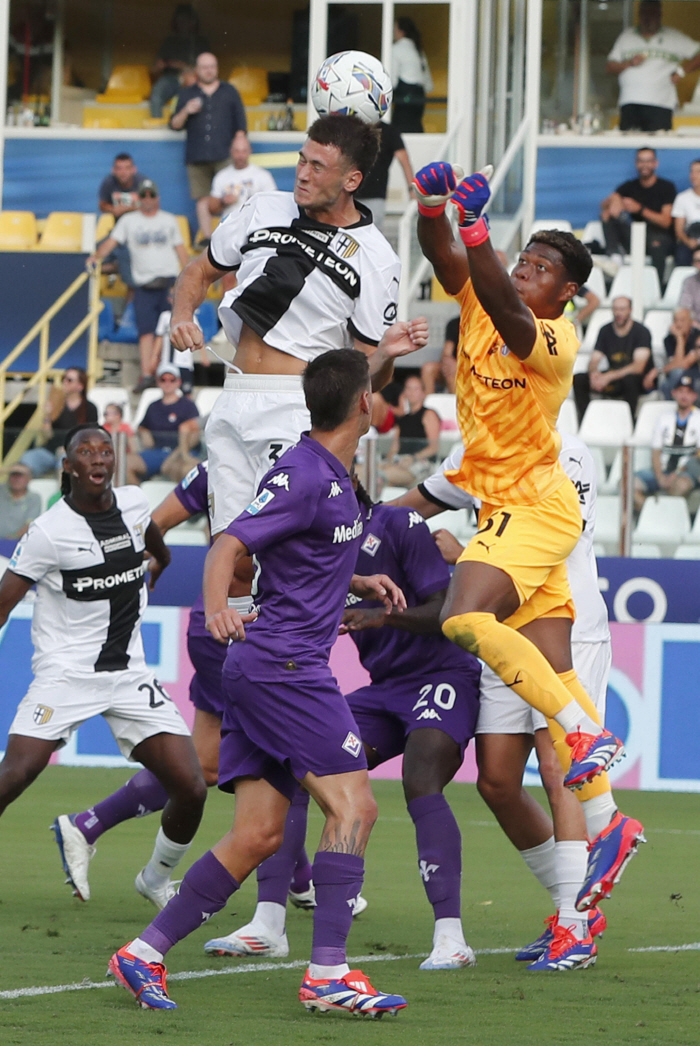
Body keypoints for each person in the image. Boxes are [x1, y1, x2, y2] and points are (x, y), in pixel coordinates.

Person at [109, 349, 410, 1016]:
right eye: (375, 390)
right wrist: (218, 605)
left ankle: (144, 952)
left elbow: (299, 549)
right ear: (362, 404)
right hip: (286, 669)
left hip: (274, 667)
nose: (380, 398)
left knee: (258, 836)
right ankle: (328, 972)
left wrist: (354, 579)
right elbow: (226, 545)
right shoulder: (303, 472)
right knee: (354, 806)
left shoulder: (329, 470)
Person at [413, 162, 625, 805]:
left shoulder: (557, 338)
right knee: (552, 668)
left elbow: (508, 312)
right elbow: (444, 256)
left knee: (462, 616)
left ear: (565, 294)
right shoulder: (482, 294)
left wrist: (475, 227)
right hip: (509, 502)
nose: (527, 268)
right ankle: (610, 820)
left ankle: (585, 730)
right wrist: (431, 209)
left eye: (542, 267)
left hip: (533, 504)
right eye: (525, 258)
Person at [206, 490, 482, 971]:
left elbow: (445, 612)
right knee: (293, 765)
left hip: (443, 676)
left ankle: (451, 936)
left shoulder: (399, 524)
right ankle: (268, 923)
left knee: (421, 778)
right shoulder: (325, 545)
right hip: (385, 688)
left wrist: (377, 616)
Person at [396, 435, 643, 969]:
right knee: (498, 780)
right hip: (499, 630)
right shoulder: (476, 448)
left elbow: (554, 542)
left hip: (564, 624)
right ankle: (569, 907)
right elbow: (416, 502)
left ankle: (574, 929)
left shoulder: (568, 452)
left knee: (558, 769)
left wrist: (465, 557)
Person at [168, 113, 428, 560]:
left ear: (353, 179)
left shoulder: (376, 257)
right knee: (229, 557)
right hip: (233, 397)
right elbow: (200, 269)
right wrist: (181, 314)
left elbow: (366, 380)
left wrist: (385, 354)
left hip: (295, 406)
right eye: (301, 161)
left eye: (317, 167)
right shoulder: (263, 206)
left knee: (281, 558)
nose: (303, 174)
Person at [65, 460, 320, 913]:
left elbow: (155, 524)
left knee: (203, 766)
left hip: (226, 625)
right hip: (238, 626)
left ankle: (91, 827)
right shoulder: (284, 466)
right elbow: (152, 525)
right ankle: (293, 886)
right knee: (288, 755)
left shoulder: (233, 464)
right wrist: (155, 560)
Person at [0, 425, 207, 906]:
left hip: (129, 675)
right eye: (85, 452)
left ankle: (156, 878)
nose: (97, 458)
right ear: (67, 466)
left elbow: (159, 546)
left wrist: (158, 563)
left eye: (104, 451)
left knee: (191, 787)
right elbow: (4, 604)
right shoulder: (49, 533)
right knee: (15, 773)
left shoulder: (134, 504)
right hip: (66, 674)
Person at [88, 181, 190, 393]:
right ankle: (147, 373)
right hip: (144, 284)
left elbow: (180, 249)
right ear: (139, 198)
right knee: (146, 331)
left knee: (170, 330)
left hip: (168, 283)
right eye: (143, 195)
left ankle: (165, 374)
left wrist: (188, 276)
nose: (148, 199)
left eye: (151, 194)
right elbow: (112, 242)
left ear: (157, 197)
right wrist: (96, 257)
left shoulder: (169, 220)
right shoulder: (129, 221)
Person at [170, 52, 247, 243]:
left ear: (217, 68)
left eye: (212, 66)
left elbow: (241, 124)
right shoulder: (187, 93)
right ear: (197, 70)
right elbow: (174, 125)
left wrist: (240, 145)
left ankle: (231, 238)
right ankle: (207, 239)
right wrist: (186, 110)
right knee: (202, 199)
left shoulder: (229, 91)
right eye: (204, 67)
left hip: (224, 155)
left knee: (231, 197)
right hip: (197, 155)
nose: (209, 70)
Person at [606, 0, 700, 133]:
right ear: (640, 15)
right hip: (630, 102)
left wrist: (681, 72)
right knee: (630, 145)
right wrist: (630, 63)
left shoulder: (673, 37)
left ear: (660, 15)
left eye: (653, 14)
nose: (649, 18)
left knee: (658, 145)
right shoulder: (627, 37)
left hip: (660, 103)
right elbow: (610, 66)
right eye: (645, 13)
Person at [599, 147, 675, 283]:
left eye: (648, 161)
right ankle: (614, 256)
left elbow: (666, 222)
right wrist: (615, 199)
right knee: (606, 215)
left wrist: (639, 209)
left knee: (657, 244)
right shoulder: (629, 186)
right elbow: (604, 206)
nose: (644, 165)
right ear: (636, 163)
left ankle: (656, 287)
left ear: (655, 163)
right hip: (633, 235)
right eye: (641, 161)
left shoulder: (666, 187)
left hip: (658, 236)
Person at [572, 296, 652, 422]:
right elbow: (595, 359)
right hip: (612, 377)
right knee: (579, 379)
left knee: (630, 381)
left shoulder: (641, 332)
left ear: (630, 310)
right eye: (615, 309)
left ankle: (629, 421)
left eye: (622, 309)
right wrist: (594, 374)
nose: (618, 313)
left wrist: (608, 377)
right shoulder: (605, 330)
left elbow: (638, 367)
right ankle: (584, 419)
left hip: (633, 379)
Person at [634, 374, 700, 510]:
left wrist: (675, 474)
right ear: (673, 393)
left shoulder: (698, 419)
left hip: (685, 472)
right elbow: (656, 451)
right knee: (626, 484)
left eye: (688, 392)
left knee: (682, 485)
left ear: (695, 396)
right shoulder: (664, 419)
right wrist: (660, 477)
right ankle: (651, 513)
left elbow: (697, 455)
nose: (684, 396)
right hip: (661, 470)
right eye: (681, 391)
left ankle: (662, 514)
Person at [127, 364, 200, 484]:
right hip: (158, 452)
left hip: (181, 452)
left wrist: (178, 453)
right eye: (163, 379)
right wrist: (144, 433)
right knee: (124, 463)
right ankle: (140, 497)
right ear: (158, 382)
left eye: (172, 380)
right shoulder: (153, 406)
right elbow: (142, 426)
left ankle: (179, 502)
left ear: (178, 382)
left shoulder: (188, 405)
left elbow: (195, 434)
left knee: (186, 469)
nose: (168, 383)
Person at [21, 368, 98, 477]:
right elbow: (47, 435)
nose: (64, 382)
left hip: (73, 451)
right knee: (27, 459)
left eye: (69, 380)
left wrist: (69, 448)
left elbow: (90, 436)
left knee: (64, 462)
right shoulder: (57, 404)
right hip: (51, 450)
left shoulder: (89, 408)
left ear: (80, 386)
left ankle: (63, 493)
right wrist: (47, 416)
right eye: (63, 379)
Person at [150, 3, 210, 119]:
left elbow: (205, 68)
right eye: (180, 20)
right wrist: (159, 67)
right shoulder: (169, 41)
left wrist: (177, 65)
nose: (183, 23)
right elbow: (154, 70)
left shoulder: (201, 42)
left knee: (200, 97)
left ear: (194, 22)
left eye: (187, 20)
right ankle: (157, 127)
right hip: (171, 79)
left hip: (194, 79)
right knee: (157, 92)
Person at [381, 374, 440, 487]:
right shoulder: (402, 419)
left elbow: (433, 447)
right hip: (400, 461)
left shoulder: (428, 414)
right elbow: (394, 448)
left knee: (381, 475)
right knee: (367, 470)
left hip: (421, 463)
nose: (412, 392)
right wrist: (388, 462)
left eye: (416, 389)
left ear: (423, 393)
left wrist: (413, 458)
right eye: (409, 388)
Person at [355, 121, 414, 232]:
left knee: (371, 235)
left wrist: (412, 189)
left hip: (374, 195)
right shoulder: (352, 127)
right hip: (349, 196)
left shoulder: (389, 131)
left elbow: (404, 160)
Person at [208, 134, 277, 220]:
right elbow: (211, 209)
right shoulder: (221, 176)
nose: (240, 156)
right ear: (231, 151)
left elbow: (274, 204)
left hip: (255, 224)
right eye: (237, 151)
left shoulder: (263, 175)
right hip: (229, 226)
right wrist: (223, 201)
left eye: (244, 151)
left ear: (250, 151)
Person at [153, 289, 209, 394]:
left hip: (184, 361)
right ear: (169, 299)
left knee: (186, 391)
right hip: (167, 361)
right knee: (166, 389)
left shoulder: (191, 317)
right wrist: (154, 357)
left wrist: (203, 356)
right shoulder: (164, 317)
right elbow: (159, 338)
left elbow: (199, 336)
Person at [646, 307, 700, 397]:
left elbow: (683, 365)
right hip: (679, 377)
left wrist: (659, 371)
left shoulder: (697, 336)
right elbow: (676, 364)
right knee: (665, 384)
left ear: (691, 322)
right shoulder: (669, 339)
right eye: (676, 320)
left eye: (682, 320)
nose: (678, 324)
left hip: (696, 373)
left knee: (677, 374)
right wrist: (680, 339)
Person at [391, 17, 433, 133]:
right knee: (415, 127)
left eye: (395, 29)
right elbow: (428, 85)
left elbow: (391, 80)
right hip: (419, 96)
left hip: (405, 95)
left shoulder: (396, 49)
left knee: (401, 130)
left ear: (401, 31)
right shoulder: (418, 51)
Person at [0, 464, 41, 540]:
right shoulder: (1, 491)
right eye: (13, 475)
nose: (16, 479)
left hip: (18, 542)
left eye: (20, 476)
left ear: (29, 479)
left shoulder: (33, 498)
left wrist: (11, 539)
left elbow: (30, 524)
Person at [421, 315, 459, 395]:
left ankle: (457, 405)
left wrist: (460, 367)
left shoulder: (481, 325)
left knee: (453, 371)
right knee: (428, 368)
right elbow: (447, 353)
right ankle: (428, 405)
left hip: (473, 368)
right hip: (455, 366)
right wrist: (450, 363)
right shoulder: (455, 323)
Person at [674, 164, 700, 266]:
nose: (693, 175)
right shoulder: (682, 198)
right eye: (691, 172)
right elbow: (679, 230)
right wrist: (688, 241)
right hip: (690, 240)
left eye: (698, 172)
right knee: (682, 255)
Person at [679, 247, 700, 327]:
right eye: (696, 261)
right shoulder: (689, 281)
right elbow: (684, 308)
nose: (699, 264)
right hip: (694, 326)